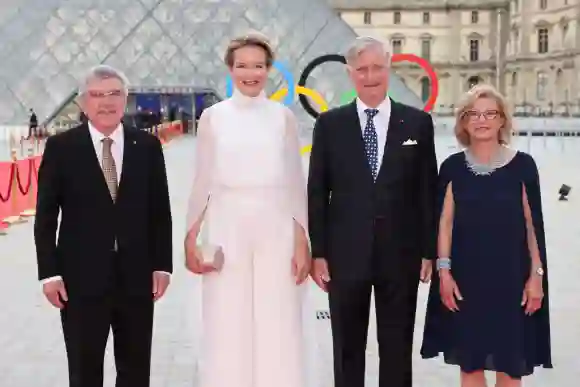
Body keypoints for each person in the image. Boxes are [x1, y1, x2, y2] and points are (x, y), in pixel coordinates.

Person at [307, 36, 438, 387]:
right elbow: (317, 191)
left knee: (397, 347)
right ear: (350, 74)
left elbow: (428, 190)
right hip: (345, 254)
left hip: (402, 254)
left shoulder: (417, 124)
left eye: (377, 67)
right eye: (361, 69)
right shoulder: (330, 125)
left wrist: (429, 250)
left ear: (389, 68)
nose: (370, 76)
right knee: (346, 347)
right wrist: (317, 253)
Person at [184, 33, 311, 387]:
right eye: (242, 66)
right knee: (226, 316)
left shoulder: (283, 117)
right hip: (227, 223)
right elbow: (201, 181)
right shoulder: (213, 117)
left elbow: (294, 182)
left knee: (278, 317)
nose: (250, 74)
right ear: (230, 69)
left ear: (269, 70)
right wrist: (191, 237)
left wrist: (302, 241)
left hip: (276, 224)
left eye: (258, 66)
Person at [34, 64, 173, 387]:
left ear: (126, 99)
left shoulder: (148, 147)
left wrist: (162, 266)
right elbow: (45, 217)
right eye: (97, 95)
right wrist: (49, 273)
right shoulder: (61, 148)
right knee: (84, 371)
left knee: (136, 369)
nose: (106, 102)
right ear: (83, 102)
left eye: (114, 94)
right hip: (79, 280)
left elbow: (159, 212)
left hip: (137, 278)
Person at [420, 84, 552, 387]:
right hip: (466, 281)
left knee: (510, 368)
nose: (482, 120)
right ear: (464, 122)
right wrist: (445, 274)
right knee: (470, 366)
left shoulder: (523, 166)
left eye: (490, 113)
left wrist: (536, 277)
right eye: (473, 114)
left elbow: (533, 228)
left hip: (512, 280)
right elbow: (445, 224)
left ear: (502, 120)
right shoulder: (452, 167)